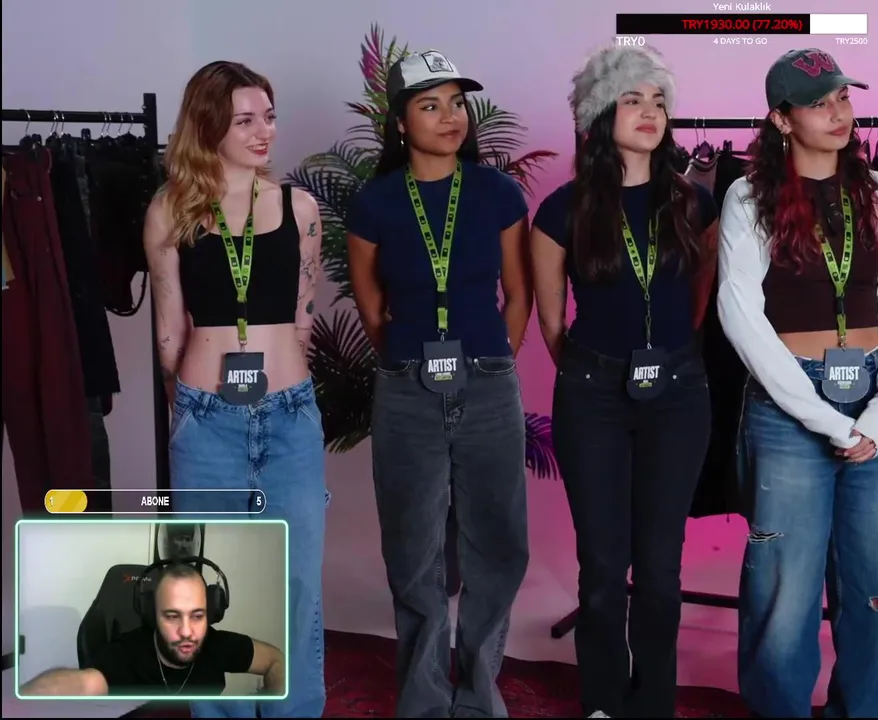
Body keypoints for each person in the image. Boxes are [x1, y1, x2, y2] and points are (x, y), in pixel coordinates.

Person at [716, 48, 878, 718]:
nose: (838, 113)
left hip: (876, 397)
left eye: (843, 98)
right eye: (818, 103)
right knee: (784, 591)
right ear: (781, 118)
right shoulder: (748, 195)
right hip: (788, 407)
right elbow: (740, 316)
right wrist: (826, 420)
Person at [530, 45, 719, 719]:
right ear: (600, 113)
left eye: (659, 101)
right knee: (604, 569)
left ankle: (654, 701)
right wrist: (597, 372)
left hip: (678, 393)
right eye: (633, 99)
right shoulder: (562, 210)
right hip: (594, 396)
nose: (650, 112)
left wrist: (669, 360)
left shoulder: (695, 203)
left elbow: (700, 298)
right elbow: (552, 322)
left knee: (661, 571)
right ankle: (604, 702)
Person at [345, 49, 532, 719]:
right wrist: (405, 363)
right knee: (413, 548)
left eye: (457, 103)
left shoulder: (497, 193)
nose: (450, 117)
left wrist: (495, 361)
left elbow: (518, 293)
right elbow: (370, 303)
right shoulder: (374, 202)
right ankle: (424, 701)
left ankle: (479, 694)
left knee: (497, 542)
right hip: (407, 390)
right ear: (400, 123)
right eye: (430, 105)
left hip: (488, 387)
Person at [142, 60, 328, 718]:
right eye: (244, 120)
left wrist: (286, 387)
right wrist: (188, 407)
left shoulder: (300, 208)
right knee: (209, 587)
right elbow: (169, 329)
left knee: (295, 584)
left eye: (268, 117)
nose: (263, 132)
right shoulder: (170, 209)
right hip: (207, 420)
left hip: (289, 416)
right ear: (209, 126)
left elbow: (303, 316)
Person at [19, 562, 286, 698]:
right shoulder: (125, 655)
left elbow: (276, 660)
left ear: (212, 614)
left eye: (197, 616)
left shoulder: (218, 645)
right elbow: (83, 683)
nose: (187, 631)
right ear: (152, 615)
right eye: (172, 616)